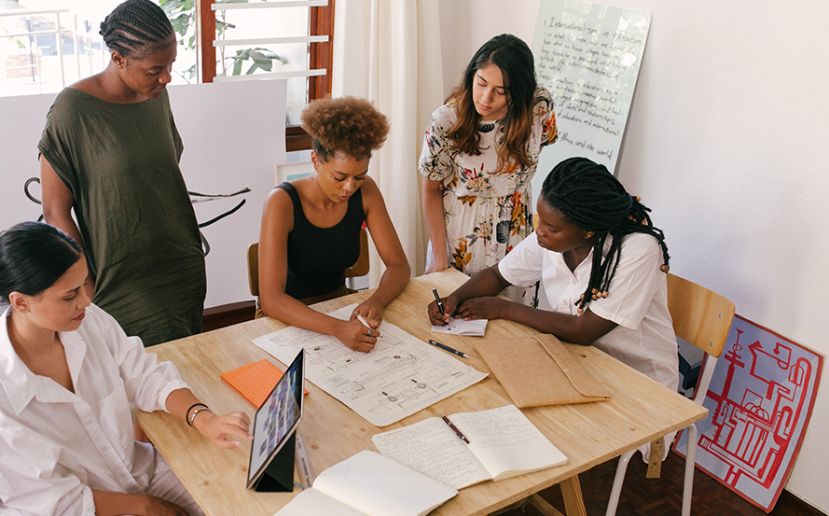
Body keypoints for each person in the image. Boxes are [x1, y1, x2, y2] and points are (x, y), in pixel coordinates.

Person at [0, 221, 251, 515]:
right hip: (81, 507)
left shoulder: (87, 319)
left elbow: (144, 375)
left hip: (140, 470)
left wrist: (202, 417)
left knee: (241, 497)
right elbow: (52, 500)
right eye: (70, 296)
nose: (86, 301)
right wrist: (147, 506)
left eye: (84, 285)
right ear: (20, 302)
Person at [428, 157, 679, 391]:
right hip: (577, 361)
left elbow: (584, 330)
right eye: (541, 221)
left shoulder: (637, 249)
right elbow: (498, 275)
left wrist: (504, 309)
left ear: (588, 231)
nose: (539, 232)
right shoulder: (551, 240)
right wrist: (454, 299)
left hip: (640, 382)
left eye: (552, 228)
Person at [38, 0, 205, 346]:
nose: (166, 76)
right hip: (121, 278)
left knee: (186, 367)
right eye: (154, 68)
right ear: (118, 58)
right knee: (137, 378)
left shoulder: (156, 95)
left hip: (180, 264)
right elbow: (55, 210)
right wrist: (84, 282)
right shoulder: (72, 111)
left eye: (171, 64)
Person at [258, 97, 410, 352]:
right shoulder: (282, 202)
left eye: (359, 177)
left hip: (338, 307)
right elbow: (271, 299)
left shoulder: (367, 192)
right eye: (339, 177)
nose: (349, 187)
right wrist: (337, 328)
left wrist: (377, 301)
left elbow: (398, 265)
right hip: (287, 319)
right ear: (316, 160)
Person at [420, 33, 558, 279]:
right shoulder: (446, 120)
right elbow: (431, 189)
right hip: (460, 242)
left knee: (512, 316)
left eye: (500, 91)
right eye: (481, 83)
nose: (485, 98)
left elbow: (538, 147)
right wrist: (440, 256)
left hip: (517, 239)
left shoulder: (538, 109)